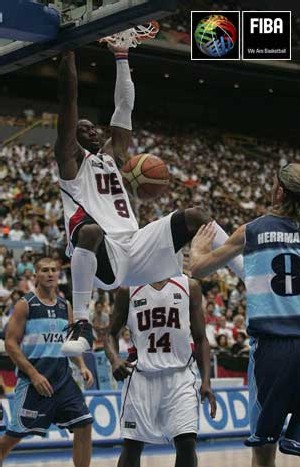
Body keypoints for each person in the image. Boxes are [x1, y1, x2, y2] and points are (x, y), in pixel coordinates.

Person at [55, 46, 244, 356]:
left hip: (137, 244)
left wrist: (121, 55)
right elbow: (69, 100)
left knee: (196, 214)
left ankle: (248, 277)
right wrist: (70, 49)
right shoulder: (70, 166)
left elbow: (124, 105)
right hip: (105, 254)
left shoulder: (112, 157)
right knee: (90, 232)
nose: (90, 129)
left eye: (93, 126)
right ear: (70, 138)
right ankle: (82, 324)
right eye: (81, 128)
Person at [190, 163, 300, 465]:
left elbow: (197, 270)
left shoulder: (253, 230)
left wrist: (198, 248)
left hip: (272, 348)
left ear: (279, 191)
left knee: (264, 450)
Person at [105, 274, 217, 467]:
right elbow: (110, 334)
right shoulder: (128, 290)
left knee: (187, 442)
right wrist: (115, 360)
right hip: (141, 377)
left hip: (180, 376)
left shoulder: (189, 286)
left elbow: (200, 338)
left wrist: (206, 380)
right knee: (132, 444)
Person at [0, 257, 94, 466]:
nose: (50, 273)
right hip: (34, 382)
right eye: (44, 270)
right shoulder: (26, 304)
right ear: (36, 275)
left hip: (63, 381)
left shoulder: (65, 305)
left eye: (53, 270)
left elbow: (70, 341)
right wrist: (33, 374)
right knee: (12, 437)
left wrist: (81, 365)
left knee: (84, 424)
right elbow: (10, 344)